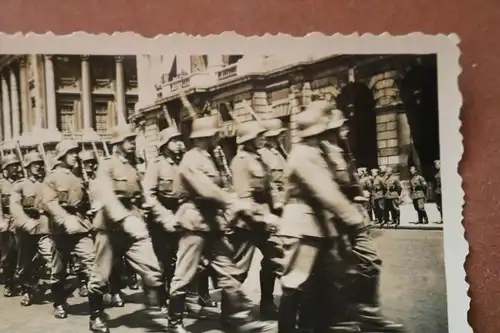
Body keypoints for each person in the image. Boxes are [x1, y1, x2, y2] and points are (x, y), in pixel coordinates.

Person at [166, 115, 276, 333]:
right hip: (194, 222)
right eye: (214, 134)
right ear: (204, 137)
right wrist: (234, 202)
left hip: (214, 223)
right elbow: (206, 188)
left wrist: (240, 204)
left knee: (229, 272)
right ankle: (174, 321)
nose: (218, 137)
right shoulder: (190, 160)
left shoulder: (211, 158)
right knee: (184, 275)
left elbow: (224, 186)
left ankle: (236, 319)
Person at [277, 101, 367, 333]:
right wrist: (353, 218)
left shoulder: (319, 152)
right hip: (301, 226)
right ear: (318, 130)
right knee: (295, 284)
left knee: (322, 284)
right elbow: (325, 190)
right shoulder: (303, 154)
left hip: (318, 226)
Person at [86, 125, 169, 333]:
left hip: (134, 227)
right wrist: (124, 218)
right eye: (128, 140)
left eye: (133, 139)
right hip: (110, 228)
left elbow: (141, 194)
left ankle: (157, 305)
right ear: (117, 144)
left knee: (153, 270)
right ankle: (96, 317)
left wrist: (147, 205)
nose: (132, 143)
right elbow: (106, 195)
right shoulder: (106, 166)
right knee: (100, 277)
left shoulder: (134, 167)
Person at [230, 120, 282, 320]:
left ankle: (267, 304)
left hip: (265, 223)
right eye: (259, 135)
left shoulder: (259, 158)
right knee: (239, 271)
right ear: (249, 139)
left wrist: (278, 206)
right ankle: (231, 314)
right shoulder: (240, 161)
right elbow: (244, 198)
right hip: (246, 224)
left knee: (277, 260)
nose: (264, 138)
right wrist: (264, 216)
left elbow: (270, 187)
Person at [42, 140, 95, 319]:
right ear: (62, 156)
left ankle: (96, 311)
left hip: (81, 225)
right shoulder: (51, 177)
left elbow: (84, 200)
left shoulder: (79, 176)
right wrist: (65, 220)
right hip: (60, 230)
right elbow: (49, 202)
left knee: (91, 260)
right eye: (71, 153)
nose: (75, 156)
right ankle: (59, 302)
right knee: (59, 270)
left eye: (75, 152)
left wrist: (92, 208)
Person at [10, 151, 53, 306]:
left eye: (40, 164)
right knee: (24, 263)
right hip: (25, 229)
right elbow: (14, 206)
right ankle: (28, 290)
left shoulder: (46, 183)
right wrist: (25, 222)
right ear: (27, 167)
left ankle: (39, 280)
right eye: (34, 164)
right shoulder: (20, 185)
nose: (38, 167)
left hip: (43, 227)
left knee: (50, 256)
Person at [0, 154, 22, 298]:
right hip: (7, 221)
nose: (14, 168)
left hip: (21, 220)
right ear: (5, 168)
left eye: (15, 165)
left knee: (23, 253)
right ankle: (9, 283)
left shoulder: (21, 182)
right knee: (8, 255)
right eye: (11, 166)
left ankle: (22, 280)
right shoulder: (1, 184)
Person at [259, 119, 287, 216]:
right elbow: (271, 182)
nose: (282, 136)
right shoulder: (265, 154)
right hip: (277, 202)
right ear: (272, 137)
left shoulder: (276, 151)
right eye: (280, 134)